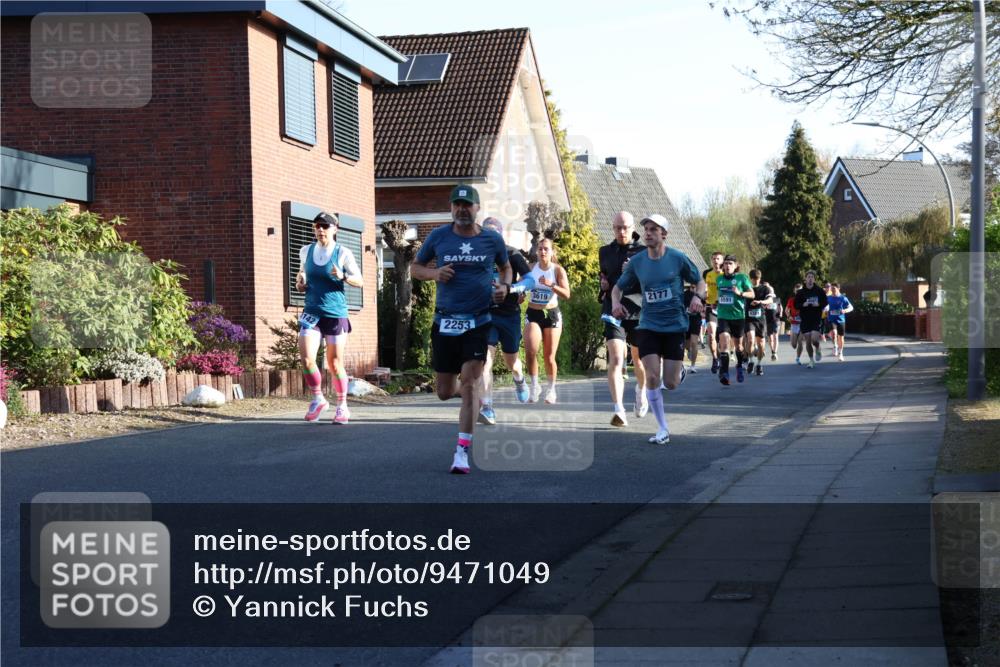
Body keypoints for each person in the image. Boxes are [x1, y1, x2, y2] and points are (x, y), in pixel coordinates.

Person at [411, 184, 511, 474]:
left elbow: (505, 268)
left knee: (469, 382)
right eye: (457, 205)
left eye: (467, 205)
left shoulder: (492, 240)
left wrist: (503, 287)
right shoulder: (439, 236)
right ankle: (473, 398)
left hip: (478, 321)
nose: (461, 210)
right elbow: (414, 268)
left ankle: (462, 452)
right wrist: (435, 273)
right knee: (444, 391)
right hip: (445, 322)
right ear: (452, 208)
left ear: (477, 209)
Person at [611, 214, 705, 445]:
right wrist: (615, 304)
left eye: (654, 229)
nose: (649, 233)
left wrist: (697, 297)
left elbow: (699, 281)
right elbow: (617, 289)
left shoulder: (678, 258)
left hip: (674, 326)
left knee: (670, 383)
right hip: (649, 325)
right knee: (652, 376)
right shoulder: (637, 262)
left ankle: (679, 372)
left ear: (664, 234)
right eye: (646, 229)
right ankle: (662, 428)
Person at [295, 212, 364, 425]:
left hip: (335, 313)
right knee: (306, 359)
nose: (320, 229)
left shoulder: (342, 252)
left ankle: (342, 406)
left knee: (334, 363)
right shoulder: (305, 250)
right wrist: (300, 284)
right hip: (311, 311)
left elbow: (359, 281)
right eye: (317, 225)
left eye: (325, 226)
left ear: (335, 229)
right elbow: (302, 275)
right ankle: (318, 399)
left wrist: (342, 276)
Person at [477, 217, 534, 425]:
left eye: (494, 233)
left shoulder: (512, 253)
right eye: (486, 233)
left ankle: (519, 379)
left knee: (512, 362)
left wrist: (512, 288)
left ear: (501, 235)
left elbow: (530, 279)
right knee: (485, 361)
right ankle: (487, 407)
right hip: (485, 314)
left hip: (509, 314)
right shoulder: (477, 255)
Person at [598, 211, 648, 427]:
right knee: (617, 359)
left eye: (625, 227)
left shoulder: (644, 251)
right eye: (617, 227)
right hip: (613, 309)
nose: (621, 231)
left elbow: (651, 281)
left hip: (637, 309)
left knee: (639, 361)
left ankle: (641, 390)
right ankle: (619, 410)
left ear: (633, 227)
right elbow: (603, 277)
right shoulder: (604, 252)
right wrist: (603, 285)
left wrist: (636, 273)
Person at [523, 237, 571, 404]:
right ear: (536, 251)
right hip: (534, 313)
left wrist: (552, 285)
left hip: (551, 314)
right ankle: (535, 385)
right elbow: (521, 288)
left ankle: (551, 389)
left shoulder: (557, 270)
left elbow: (567, 294)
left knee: (549, 356)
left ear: (552, 252)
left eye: (546, 249)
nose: (543, 251)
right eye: (540, 249)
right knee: (530, 350)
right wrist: (520, 295)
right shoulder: (530, 268)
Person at [714, 255, 755, 386]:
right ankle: (724, 373)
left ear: (735, 266)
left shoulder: (742, 278)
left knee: (739, 346)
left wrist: (740, 293)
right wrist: (716, 302)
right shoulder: (719, 279)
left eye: (730, 263)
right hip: (723, 316)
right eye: (725, 263)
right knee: (724, 342)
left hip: (738, 316)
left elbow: (752, 294)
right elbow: (720, 295)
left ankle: (738, 365)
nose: (727, 266)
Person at [794, 271, 829, 369]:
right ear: (805, 279)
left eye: (812, 277)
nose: (810, 279)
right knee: (808, 341)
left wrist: (818, 304)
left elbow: (825, 302)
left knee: (814, 340)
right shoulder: (800, 293)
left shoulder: (819, 291)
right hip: (805, 319)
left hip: (815, 318)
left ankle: (818, 347)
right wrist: (802, 305)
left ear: (814, 279)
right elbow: (796, 305)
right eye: (808, 277)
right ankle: (811, 360)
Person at [744, 269, 774, 376]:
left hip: (760, 319)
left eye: (757, 279)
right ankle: (751, 360)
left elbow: (770, 300)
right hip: (749, 319)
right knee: (751, 340)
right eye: (753, 280)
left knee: (761, 344)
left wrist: (760, 301)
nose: (755, 281)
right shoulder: (747, 288)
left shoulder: (765, 288)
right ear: (750, 279)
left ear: (760, 279)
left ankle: (759, 364)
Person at [702, 251, 725, 374]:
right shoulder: (707, 274)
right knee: (711, 336)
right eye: (713, 258)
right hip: (710, 307)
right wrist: (703, 297)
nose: (715, 261)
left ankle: (722, 356)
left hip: (723, 308)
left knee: (721, 337)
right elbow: (703, 288)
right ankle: (715, 359)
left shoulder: (726, 275)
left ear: (722, 261)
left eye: (718, 259)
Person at [826, 282, 854, 360]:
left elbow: (851, 307)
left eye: (834, 289)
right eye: (831, 289)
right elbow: (824, 307)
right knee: (834, 333)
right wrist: (825, 309)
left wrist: (845, 310)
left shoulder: (843, 298)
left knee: (841, 337)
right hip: (831, 319)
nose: (832, 290)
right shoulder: (828, 298)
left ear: (838, 289)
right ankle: (835, 346)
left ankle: (840, 353)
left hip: (841, 319)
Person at [683, 284, 702, 373]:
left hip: (696, 320)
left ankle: (693, 365)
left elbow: (705, 306)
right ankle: (688, 351)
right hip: (686, 320)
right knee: (686, 345)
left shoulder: (699, 295)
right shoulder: (684, 294)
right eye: (692, 287)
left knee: (694, 343)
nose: (693, 289)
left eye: (695, 287)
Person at [762, 280, 781, 361]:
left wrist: (781, 313)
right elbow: (762, 308)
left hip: (776, 319)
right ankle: (772, 351)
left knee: (776, 336)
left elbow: (780, 307)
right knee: (770, 337)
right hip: (768, 320)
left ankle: (775, 352)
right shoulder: (764, 300)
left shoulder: (777, 299)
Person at [785, 283, 803, 364]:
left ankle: (798, 358)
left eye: (800, 290)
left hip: (803, 324)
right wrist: (789, 316)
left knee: (800, 342)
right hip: (794, 324)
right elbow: (786, 310)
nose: (799, 292)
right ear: (794, 291)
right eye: (797, 290)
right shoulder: (791, 300)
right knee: (794, 345)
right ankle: (792, 339)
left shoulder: (805, 299)